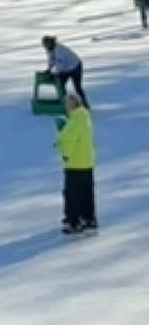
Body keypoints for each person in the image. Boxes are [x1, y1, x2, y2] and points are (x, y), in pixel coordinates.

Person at [54, 92, 97, 235]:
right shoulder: (83, 117)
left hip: (75, 164)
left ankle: (73, 221)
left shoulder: (75, 121)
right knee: (86, 193)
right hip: (87, 163)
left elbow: (69, 141)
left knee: (72, 194)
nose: (65, 107)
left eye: (66, 104)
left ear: (72, 105)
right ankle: (88, 218)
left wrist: (65, 154)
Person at [42, 36, 88, 108]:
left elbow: (60, 64)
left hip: (75, 67)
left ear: (51, 43)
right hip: (65, 68)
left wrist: (55, 74)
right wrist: (49, 69)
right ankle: (65, 103)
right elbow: (51, 59)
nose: (45, 46)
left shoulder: (59, 50)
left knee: (77, 87)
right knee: (60, 85)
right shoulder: (50, 49)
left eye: (46, 44)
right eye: (44, 45)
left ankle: (85, 105)